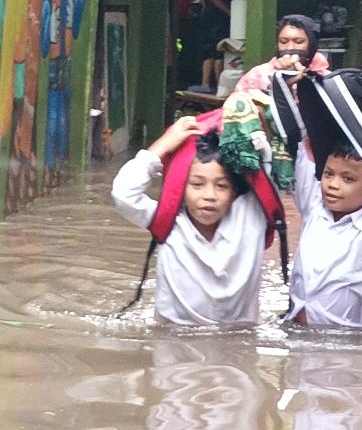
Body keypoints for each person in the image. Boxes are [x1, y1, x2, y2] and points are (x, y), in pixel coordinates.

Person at [111, 116, 269, 326]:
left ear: (235, 192)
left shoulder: (252, 217)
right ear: (180, 187)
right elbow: (123, 193)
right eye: (197, 184)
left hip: (238, 343)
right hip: (173, 342)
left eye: (221, 186)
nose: (209, 195)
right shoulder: (167, 223)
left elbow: (266, 173)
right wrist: (165, 143)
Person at [285, 130, 362, 329]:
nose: (333, 185)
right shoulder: (314, 206)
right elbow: (305, 144)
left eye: (348, 179)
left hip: (349, 342)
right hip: (297, 331)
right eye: (328, 174)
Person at [234, 14, 331, 94]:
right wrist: (278, 81)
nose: (290, 48)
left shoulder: (326, 79)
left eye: (298, 42)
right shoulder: (258, 75)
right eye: (283, 42)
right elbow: (236, 108)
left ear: (311, 45)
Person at [191, 0, 240, 94]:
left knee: (211, 51)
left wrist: (204, 5)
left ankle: (208, 84)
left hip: (211, 17)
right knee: (219, 50)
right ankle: (218, 85)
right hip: (217, 19)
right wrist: (227, 10)